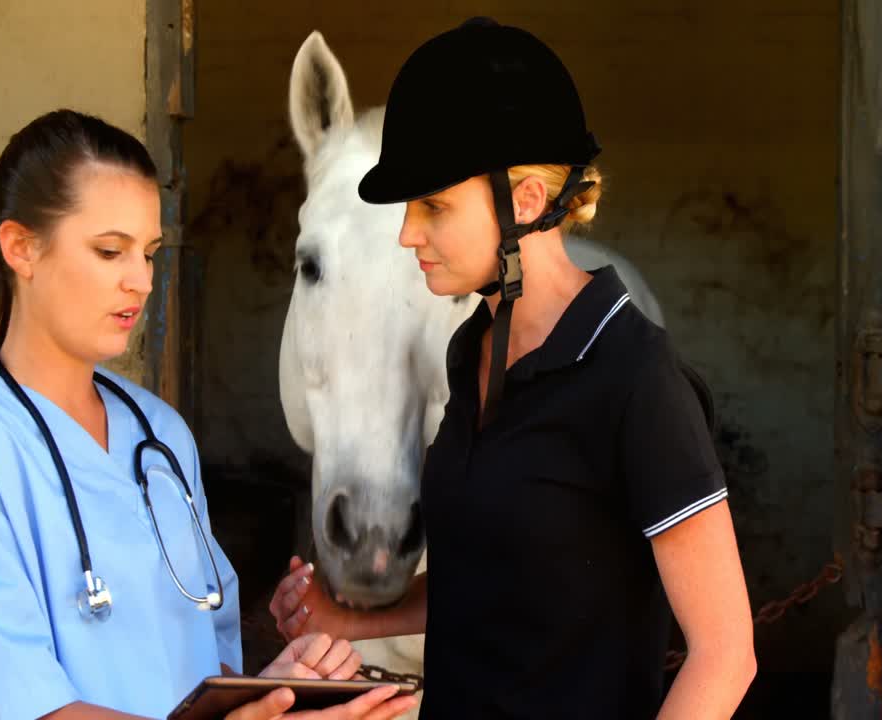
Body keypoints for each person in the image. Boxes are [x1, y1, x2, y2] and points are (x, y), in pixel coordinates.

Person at [269, 18, 757, 719]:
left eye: (433, 206)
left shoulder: (631, 373)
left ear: (524, 201)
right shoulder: (472, 353)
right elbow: (499, 580)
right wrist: (348, 620)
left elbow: (726, 652)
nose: (409, 233)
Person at [0, 109, 417, 720]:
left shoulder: (158, 434)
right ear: (20, 247)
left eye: (150, 254)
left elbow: (198, 675)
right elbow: (21, 709)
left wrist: (281, 691)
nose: (141, 281)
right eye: (110, 252)